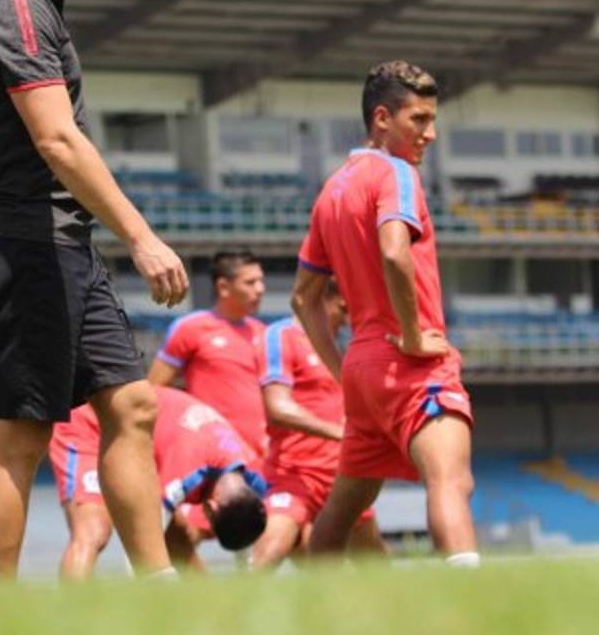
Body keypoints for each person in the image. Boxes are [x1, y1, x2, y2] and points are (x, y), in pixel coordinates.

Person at [0, 0, 188, 579]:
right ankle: (0, 612)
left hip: (63, 242)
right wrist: (142, 237)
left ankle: (161, 590)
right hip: (21, 242)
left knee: (132, 405)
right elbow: (56, 137)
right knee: (19, 436)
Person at [292, 61, 479, 568]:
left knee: (347, 505)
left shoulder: (332, 189)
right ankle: (473, 608)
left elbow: (303, 298)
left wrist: (341, 371)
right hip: (410, 360)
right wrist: (415, 335)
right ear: (382, 119)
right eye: (418, 119)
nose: (430, 134)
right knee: (451, 480)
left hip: (364, 366)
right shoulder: (396, 173)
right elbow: (395, 252)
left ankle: (313, 611)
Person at [50, 385, 268, 578]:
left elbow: (245, 527)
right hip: (89, 423)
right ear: (211, 507)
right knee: (93, 531)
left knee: (177, 539)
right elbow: (140, 535)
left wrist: (245, 580)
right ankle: (67, 618)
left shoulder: (252, 473)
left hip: (132, 433)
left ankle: (208, 606)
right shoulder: (190, 468)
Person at [249, 281, 388, 569]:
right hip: (296, 473)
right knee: (271, 550)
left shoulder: (345, 345)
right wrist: (340, 434)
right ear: (323, 299)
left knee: (375, 566)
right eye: (342, 309)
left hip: (343, 475)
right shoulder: (281, 335)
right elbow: (277, 408)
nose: (348, 317)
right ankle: (231, 611)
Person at [147, 250, 268, 457]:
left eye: (260, 281)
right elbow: (153, 391)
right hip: (214, 452)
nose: (260, 289)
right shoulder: (190, 327)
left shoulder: (263, 332)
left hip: (262, 453)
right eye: (250, 282)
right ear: (223, 287)